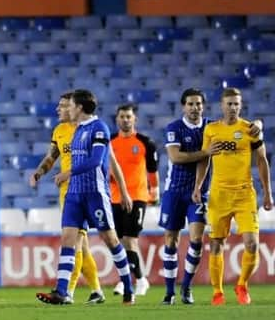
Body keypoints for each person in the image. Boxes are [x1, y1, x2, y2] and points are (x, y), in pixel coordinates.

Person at [158, 88, 262, 305]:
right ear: (183, 106)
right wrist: (206, 153)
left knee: (197, 239)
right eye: (190, 104)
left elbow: (238, 125)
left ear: (203, 106)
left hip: (201, 193)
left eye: (198, 104)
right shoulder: (174, 128)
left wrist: (259, 124)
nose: (194, 108)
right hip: (174, 191)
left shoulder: (212, 127)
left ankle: (186, 288)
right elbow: (176, 157)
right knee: (171, 240)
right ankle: (169, 292)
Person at [35, 89, 135, 305]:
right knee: (68, 240)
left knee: (111, 240)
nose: (66, 109)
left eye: (69, 105)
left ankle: (128, 286)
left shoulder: (100, 129)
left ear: (79, 107)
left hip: (95, 193)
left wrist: (67, 173)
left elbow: (97, 160)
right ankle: (61, 291)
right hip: (73, 194)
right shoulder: (74, 130)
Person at [193, 87, 272, 305]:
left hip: (245, 194)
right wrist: (198, 186)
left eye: (237, 104)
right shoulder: (211, 130)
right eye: (229, 104)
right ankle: (217, 292)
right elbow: (204, 159)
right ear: (221, 106)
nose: (233, 108)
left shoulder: (250, 129)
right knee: (217, 243)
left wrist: (267, 193)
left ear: (241, 105)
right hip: (219, 195)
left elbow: (262, 160)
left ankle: (242, 286)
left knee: (252, 244)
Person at [110, 103, 159, 297]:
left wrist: (155, 192)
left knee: (130, 240)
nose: (125, 120)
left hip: (138, 196)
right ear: (117, 119)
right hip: (114, 197)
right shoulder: (109, 142)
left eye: (128, 117)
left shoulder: (145, 143)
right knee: (118, 242)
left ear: (134, 119)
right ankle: (131, 279)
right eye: (122, 116)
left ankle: (136, 280)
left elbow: (152, 171)